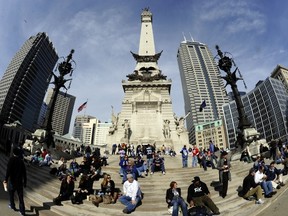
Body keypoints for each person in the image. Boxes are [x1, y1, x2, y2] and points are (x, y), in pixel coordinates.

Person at [4, 147, 27, 216]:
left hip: (12, 181)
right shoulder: (21, 161)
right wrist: (25, 182)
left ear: (13, 153)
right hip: (19, 182)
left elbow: (8, 170)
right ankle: (22, 211)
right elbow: (24, 173)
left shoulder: (11, 160)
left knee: (11, 194)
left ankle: (12, 205)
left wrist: (6, 179)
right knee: (20, 197)